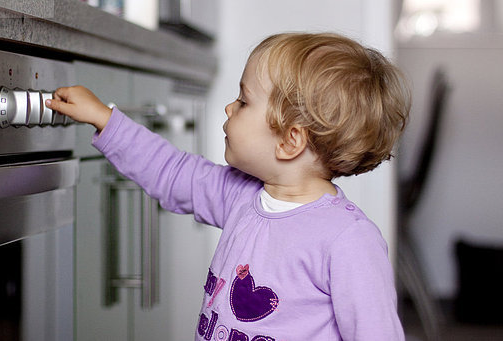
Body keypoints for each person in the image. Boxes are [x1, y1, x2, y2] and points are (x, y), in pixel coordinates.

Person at [46, 32, 410, 340]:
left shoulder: (348, 239)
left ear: (289, 141)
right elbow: (172, 172)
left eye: (244, 101)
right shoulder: (241, 195)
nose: (228, 109)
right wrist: (104, 119)